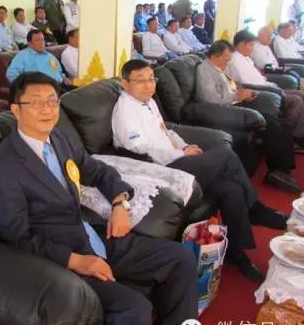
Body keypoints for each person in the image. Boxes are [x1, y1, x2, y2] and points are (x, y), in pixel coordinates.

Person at [0, 71, 198, 325]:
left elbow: (97, 171)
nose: (47, 110)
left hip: (92, 236)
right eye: (36, 103)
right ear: (15, 110)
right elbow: (16, 236)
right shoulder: (3, 166)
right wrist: (77, 261)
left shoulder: (58, 139)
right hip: (59, 260)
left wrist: (120, 203)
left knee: (181, 259)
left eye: (52, 101)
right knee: (135, 308)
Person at [113, 59, 288, 281]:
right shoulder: (125, 110)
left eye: (151, 79)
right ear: (125, 83)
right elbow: (139, 150)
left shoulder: (147, 102)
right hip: (160, 168)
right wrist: (180, 154)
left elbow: (166, 131)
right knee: (226, 157)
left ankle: (235, 250)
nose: (148, 85)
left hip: (176, 158)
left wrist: (186, 146)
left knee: (232, 189)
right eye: (140, 80)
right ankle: (256, 209)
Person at [196, 40, 302, 193]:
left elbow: (231, 88)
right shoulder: (204, 70)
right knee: (271, 125)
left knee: (281, 123)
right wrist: (236, 96)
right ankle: (277, 171)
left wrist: (242, 93)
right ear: (214, 56)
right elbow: (210, 98)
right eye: (226, 59)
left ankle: (282, 170)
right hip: (223, 112)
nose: (228, 63)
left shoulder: (219, 68)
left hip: (235, 104)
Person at [229, 31, 304, 147]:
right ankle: (297, 137)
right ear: (242, 44)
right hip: (258, 92)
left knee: (300, 93)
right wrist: (270, 86)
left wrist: (270, 84)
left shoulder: (246, 58)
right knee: (295, 100)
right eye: (251, 45)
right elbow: (246, 83)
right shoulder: (235, 60)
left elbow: (259, 77)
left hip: (266, 86)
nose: (252, 49)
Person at [252, 26, 304, 103]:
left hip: (276, 68)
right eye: (269, 35)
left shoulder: (265, 45)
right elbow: (265, 66)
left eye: (271, 35)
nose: (271, 38)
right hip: (270, 72)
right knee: (298, 80)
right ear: (260, 35)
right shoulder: (256, 48)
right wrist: (281, 69)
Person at [6, 29, 74, 91]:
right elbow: (11, 74)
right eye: (37, 40)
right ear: (29, 43)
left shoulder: (50, 56)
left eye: (42, 40)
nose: (41, 43)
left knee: (78, 92)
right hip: (43, 90)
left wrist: (65, 79)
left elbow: (59, 72)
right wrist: (27, 87)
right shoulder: (22, 56)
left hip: (61, 86)